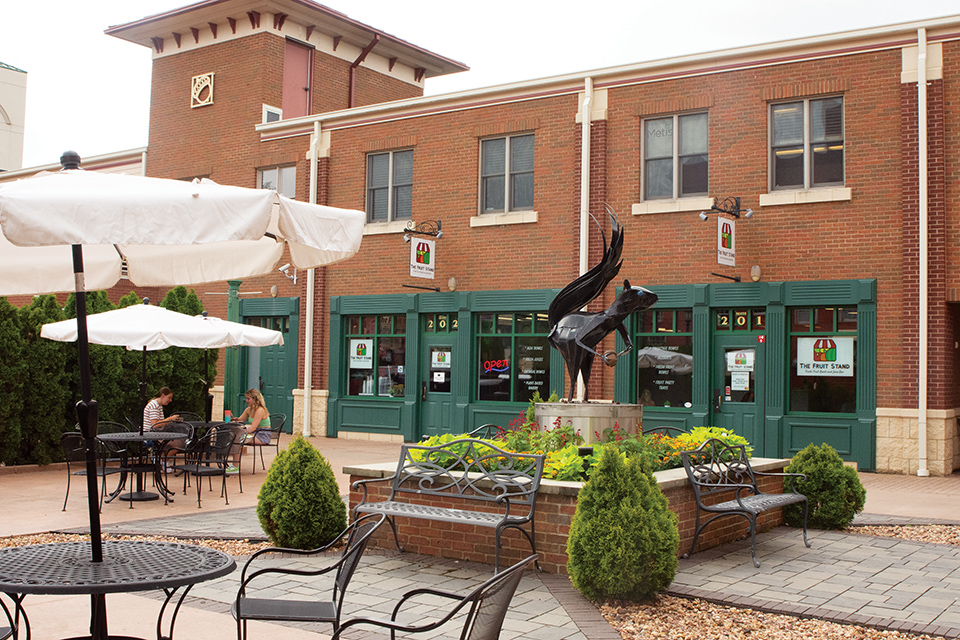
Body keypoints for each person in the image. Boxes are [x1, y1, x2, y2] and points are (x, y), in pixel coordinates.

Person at [226, 388, 270, 473]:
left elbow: (253, 428)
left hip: (262, 435)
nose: (246, 400)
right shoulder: (249, 409)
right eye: (246, 398)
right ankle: (235, 465)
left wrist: (241, 431)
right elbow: (240, 420)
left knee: (238, 438)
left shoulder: (260, 410)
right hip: (254, 433)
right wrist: (232, 418)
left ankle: (235, 466)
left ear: (255, 399)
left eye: (248, 398)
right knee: (236, 437)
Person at [143, 387, 183, 472]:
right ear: (162, 395)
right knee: (179, 442)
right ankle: (161, 460)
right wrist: (170, 419)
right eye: (169, 397)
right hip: (150, 435)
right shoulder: (154, 406)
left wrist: (170, 422)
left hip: (156, 433)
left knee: (176, 441)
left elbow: (160, 423)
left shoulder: (158, 406)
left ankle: (161, 460)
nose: (170, 400)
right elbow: (154, 424)